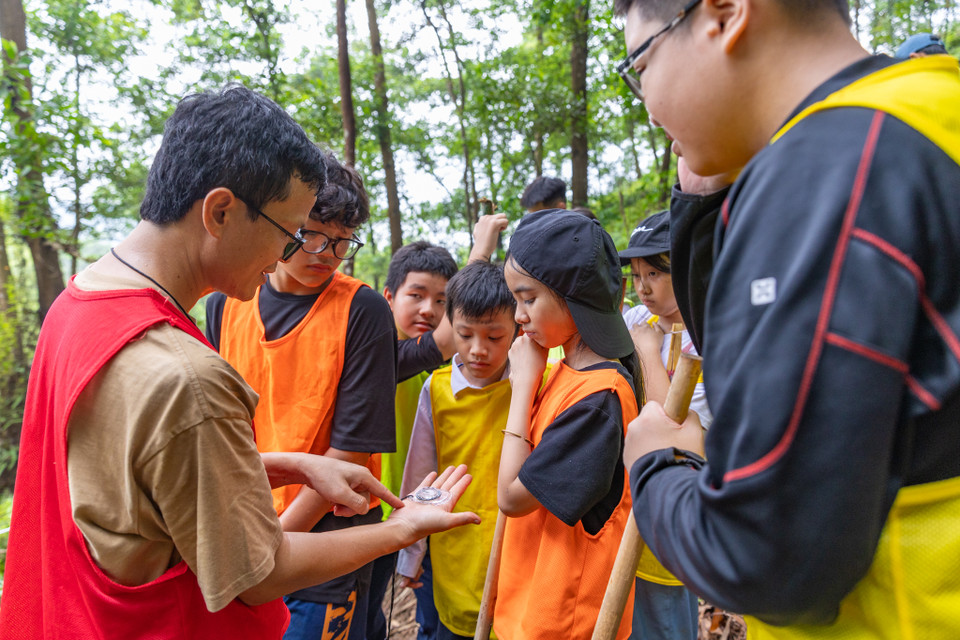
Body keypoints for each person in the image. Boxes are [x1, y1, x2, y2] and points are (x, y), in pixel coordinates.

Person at [0, 85, 480, 639]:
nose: (289, 255)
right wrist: (406, 527)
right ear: (221, 211)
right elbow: (260, 573)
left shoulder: (80, 303)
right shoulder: (188, 377)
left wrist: (292, 465)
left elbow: (150, 473)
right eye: (290, 232)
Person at [615, 0, 960, 638]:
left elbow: (767, 559)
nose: (647, 99)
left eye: (641, 62)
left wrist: (660, 463)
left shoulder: (828, 170)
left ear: (724, 14)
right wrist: (703, 204)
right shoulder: (928, 115)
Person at [205, 152, 396, 640]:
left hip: (327, 538)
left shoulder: (362, 309)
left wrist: (273, 546)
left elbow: (351, 449)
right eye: (310, 233)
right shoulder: (226, 304)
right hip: (243, 529)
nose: (324, 254)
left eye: (340, 242)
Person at [495, 210, 642, 640]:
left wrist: (522, 387)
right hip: (526, 606)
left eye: (528, 299)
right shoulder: (566, 372)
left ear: (574, 298)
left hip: (563, 621)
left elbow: (511, 497)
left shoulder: (600, 399)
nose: (518, 315)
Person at [397, 261, 519, 640]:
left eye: (495, 337)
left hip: (518, 552)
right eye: (465, 335)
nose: (478, 350)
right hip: (455, 552)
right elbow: (420, 474)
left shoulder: (534, 382)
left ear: (518, 329)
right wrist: (410, 554)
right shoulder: (437, 389)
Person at [618, 210, 708, 640]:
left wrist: (649, 354)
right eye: (636, 274)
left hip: (668, 511)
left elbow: (668, 430)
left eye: (655, 271)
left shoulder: (705, 341)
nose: (643, 286)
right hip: (621, 514)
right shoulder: (637, 322)